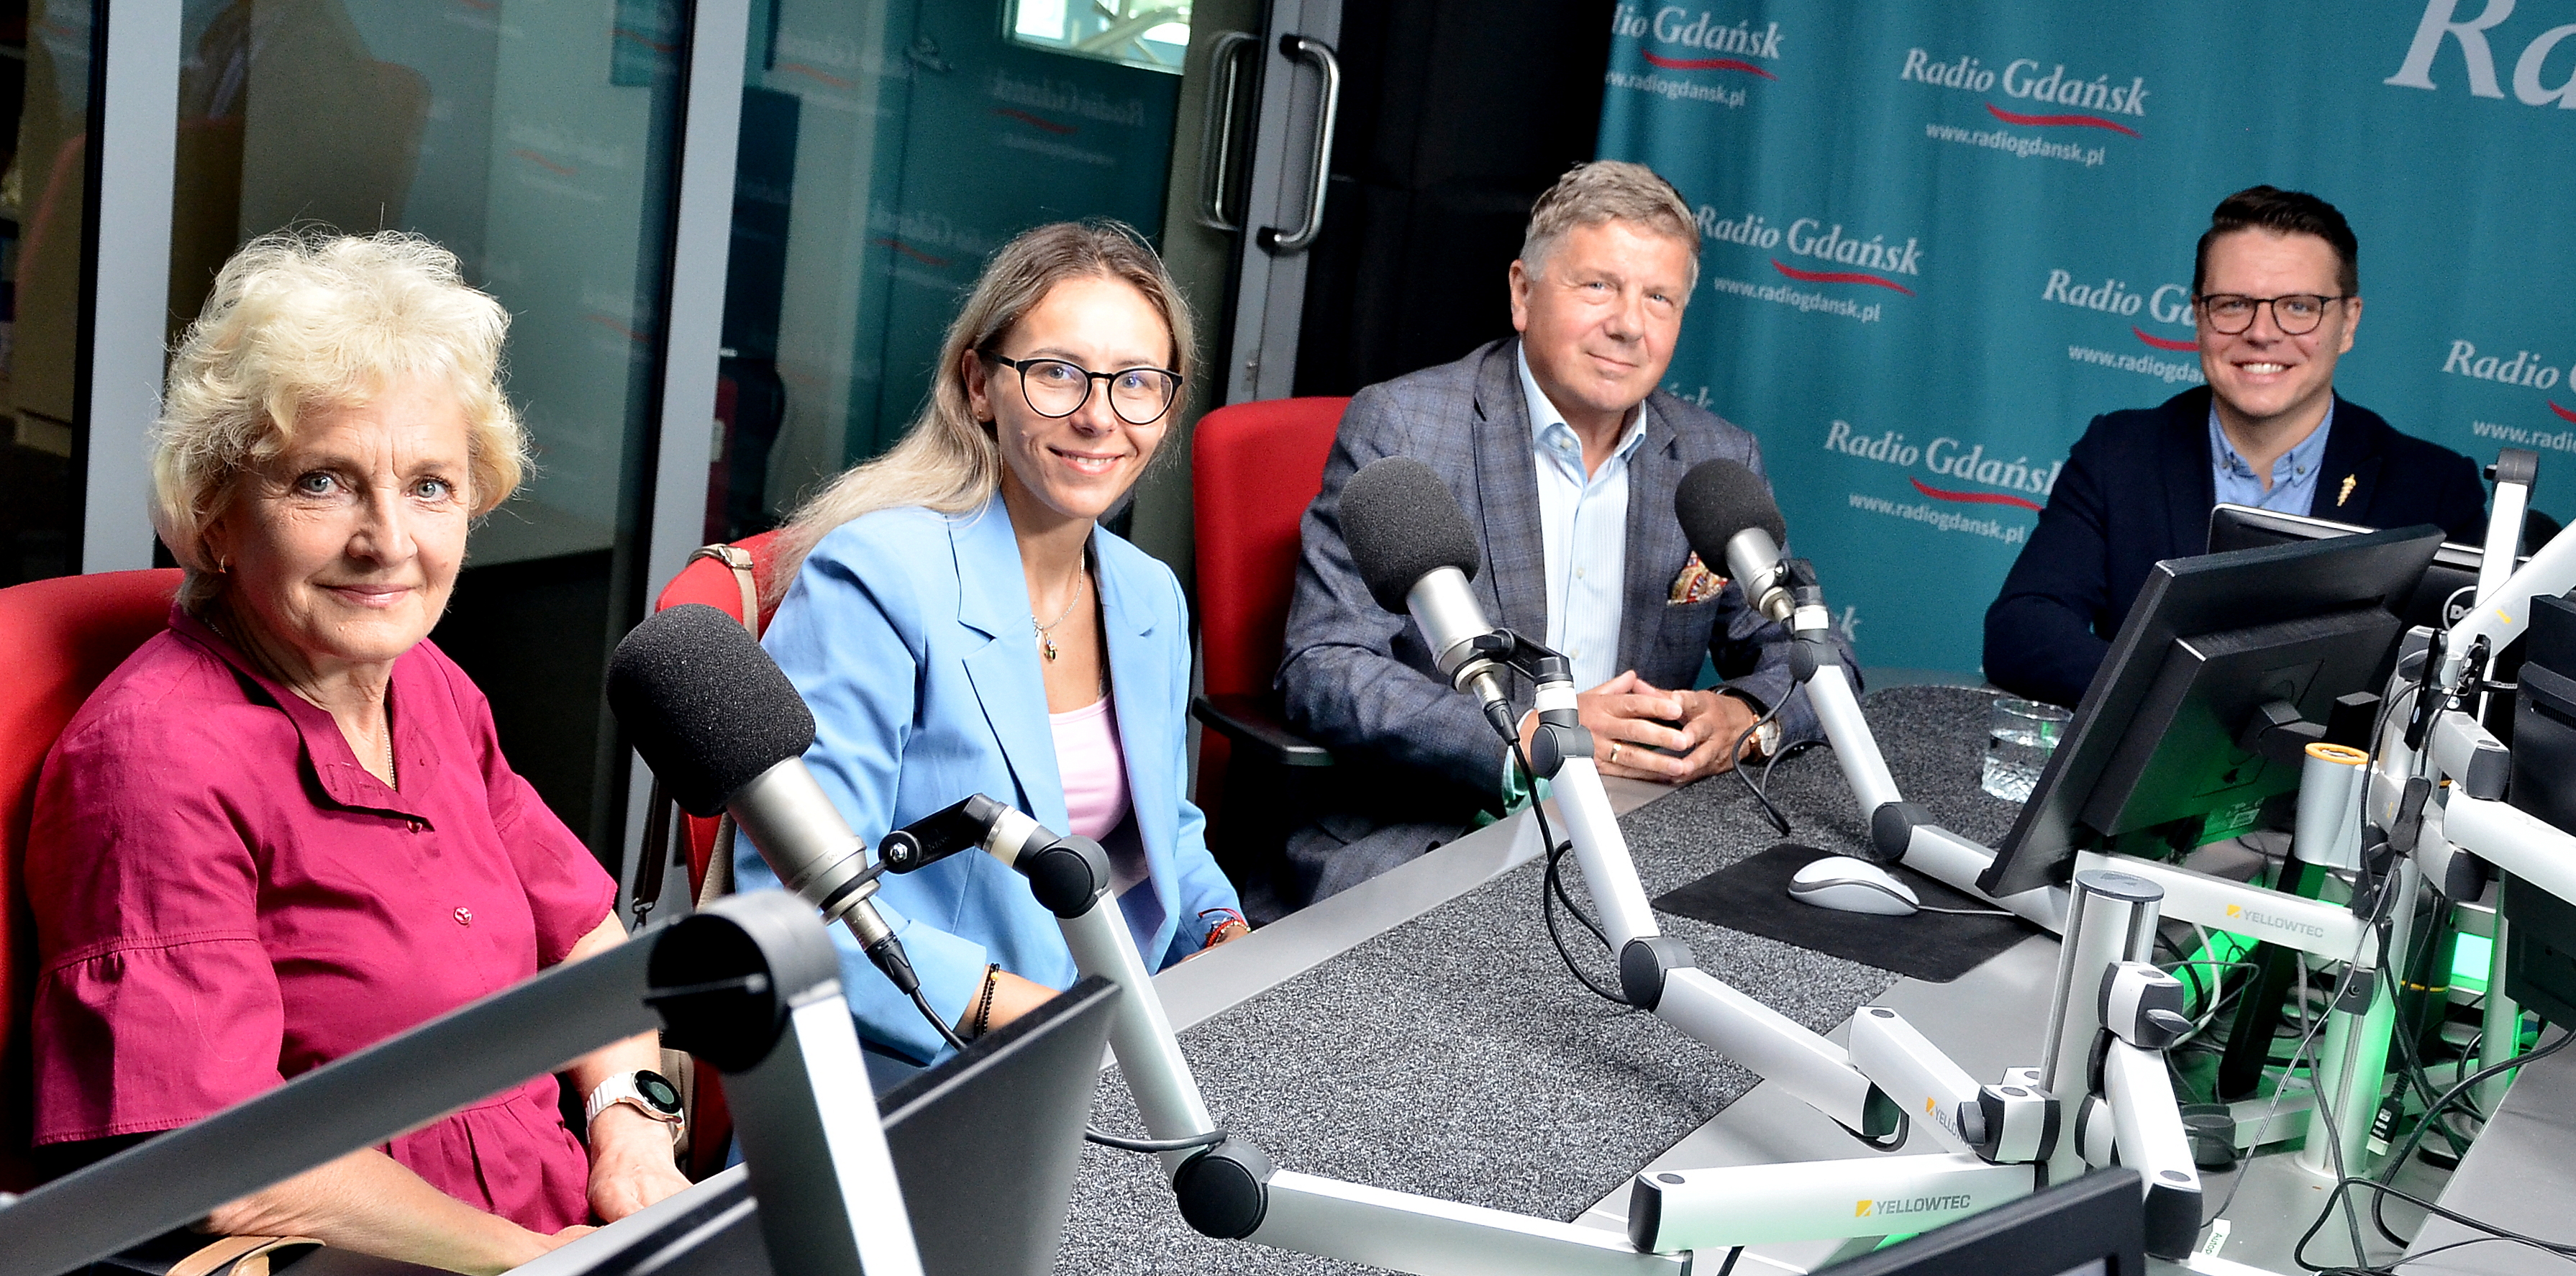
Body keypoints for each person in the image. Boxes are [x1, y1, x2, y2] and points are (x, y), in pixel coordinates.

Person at [25, 232, 690, 1272]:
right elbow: (232, 1165)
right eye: (325, 482)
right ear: (214, 516)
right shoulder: (155, 761)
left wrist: (628, 1126)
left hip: (565, 1224)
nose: (389, 541)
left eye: (430, 486)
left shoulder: (426, 682)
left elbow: (583, 932)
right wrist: (532, 1260)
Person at [1273, 160, 1847, 913]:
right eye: (1598, 286)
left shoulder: (1713, 459)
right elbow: (1322, 665)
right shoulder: (1405, 427)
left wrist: (1743, 720)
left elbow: (1814, 652)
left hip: (1636, 832)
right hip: (1439, 826)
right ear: (1522, 292)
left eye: (1658, 299)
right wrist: (1525, 735)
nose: (1627, 325)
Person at [744, 222, 1244, 1081]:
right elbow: (798, 913)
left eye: (1135, 383)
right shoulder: (876, 579)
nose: (1097, 416)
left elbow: (1163, 830)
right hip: (919, 1073)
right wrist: (1058, 1023)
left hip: (1108, 1049)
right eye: (1056, 373)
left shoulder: (1148, 595)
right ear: (979, 384)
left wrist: (1220, 933)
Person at [1985, 186, 2488, 710]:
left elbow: (2451, 687)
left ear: (2348, 322)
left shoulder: (2434, 489)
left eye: (2299, 307)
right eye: (2233, 305)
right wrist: (2177, 703)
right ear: (2199, 316)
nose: (2261, 333)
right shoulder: (2118, 453)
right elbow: (2022, 629)